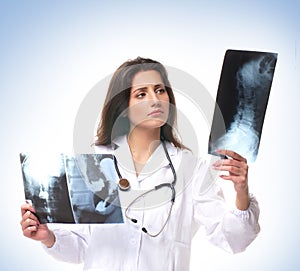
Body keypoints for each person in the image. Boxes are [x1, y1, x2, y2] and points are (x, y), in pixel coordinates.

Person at [20, 57, 260, 271]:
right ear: (124, 107)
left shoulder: (191, 169)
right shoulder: (94, 163)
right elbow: (82, 249)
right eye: (141, 94)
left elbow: (233, 240)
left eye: (160, 90)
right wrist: (48, 237)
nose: (155, 100)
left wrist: (241, 193)